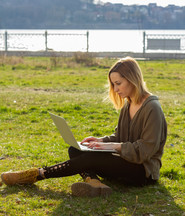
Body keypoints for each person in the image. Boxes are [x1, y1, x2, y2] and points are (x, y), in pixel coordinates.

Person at [0, 57, 167, 197]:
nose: (115, 89)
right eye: (113, 85)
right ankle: (95, 184)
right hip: (125, 162)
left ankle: (34, 175)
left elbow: (145, 150)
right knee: (76, 150)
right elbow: (120, 136)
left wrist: (111, 146)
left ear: (132, 79)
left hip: (143, 172)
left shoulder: (152, 108)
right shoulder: (128, 104)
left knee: (90, 158)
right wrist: (99, 141)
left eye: (118, 83)